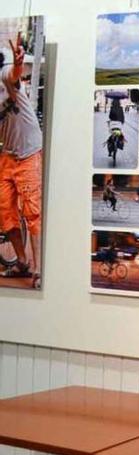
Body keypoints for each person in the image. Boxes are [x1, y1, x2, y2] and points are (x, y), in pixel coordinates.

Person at [0, 32, 43, 284]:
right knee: (5, 212)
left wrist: (18, 63)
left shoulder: (4, 77)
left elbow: (14, 74)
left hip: (28, 152)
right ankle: (21, 261)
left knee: (32, 211)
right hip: (7, 155)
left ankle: (38, 268)